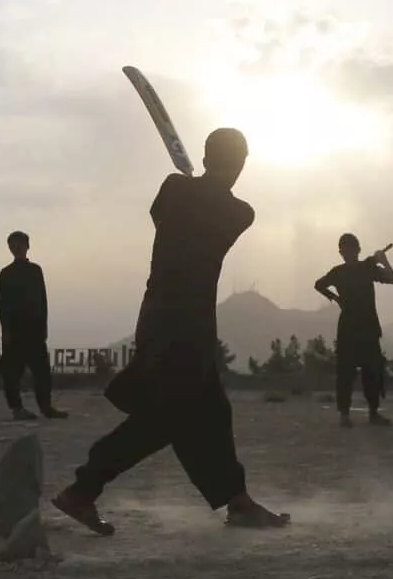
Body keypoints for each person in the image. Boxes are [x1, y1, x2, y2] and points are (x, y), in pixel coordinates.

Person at [52, 128, 289, 536]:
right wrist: (198, 184)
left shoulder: (191, 195)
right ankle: (83, 489)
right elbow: (192, 207)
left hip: (171, 321)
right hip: (179, 326)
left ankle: (237, 501)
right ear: (240, 165)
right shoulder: (226, 205)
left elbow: (167, 211)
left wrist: (194, 182)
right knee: (164, 420)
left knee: (211, 411)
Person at [314, 233, 393, 427]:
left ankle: (372, 413)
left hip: (366, 328)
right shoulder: (348, 271)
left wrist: (384, 261)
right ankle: (346, 415)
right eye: (344, 250)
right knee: (346, 373)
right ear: (341, 252)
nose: (348, 253)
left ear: (357, 250)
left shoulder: (366, 268)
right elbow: (318, 284)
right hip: (351, 329)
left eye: (350, 249)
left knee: (372, 372)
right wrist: (336, 299)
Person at [0, 231, 67, 420]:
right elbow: (3, 304)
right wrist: (6, 331)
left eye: (20, 244)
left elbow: (42, 300)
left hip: (34, 328)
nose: (17, 248)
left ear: (27, 246)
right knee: (12, 371)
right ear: (10, 248)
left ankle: (46, 406)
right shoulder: (6, 274)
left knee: (42, 371)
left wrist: (44, 326)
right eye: (14, 244)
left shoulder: (35, 271)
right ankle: (16, 408)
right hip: (16, 329)